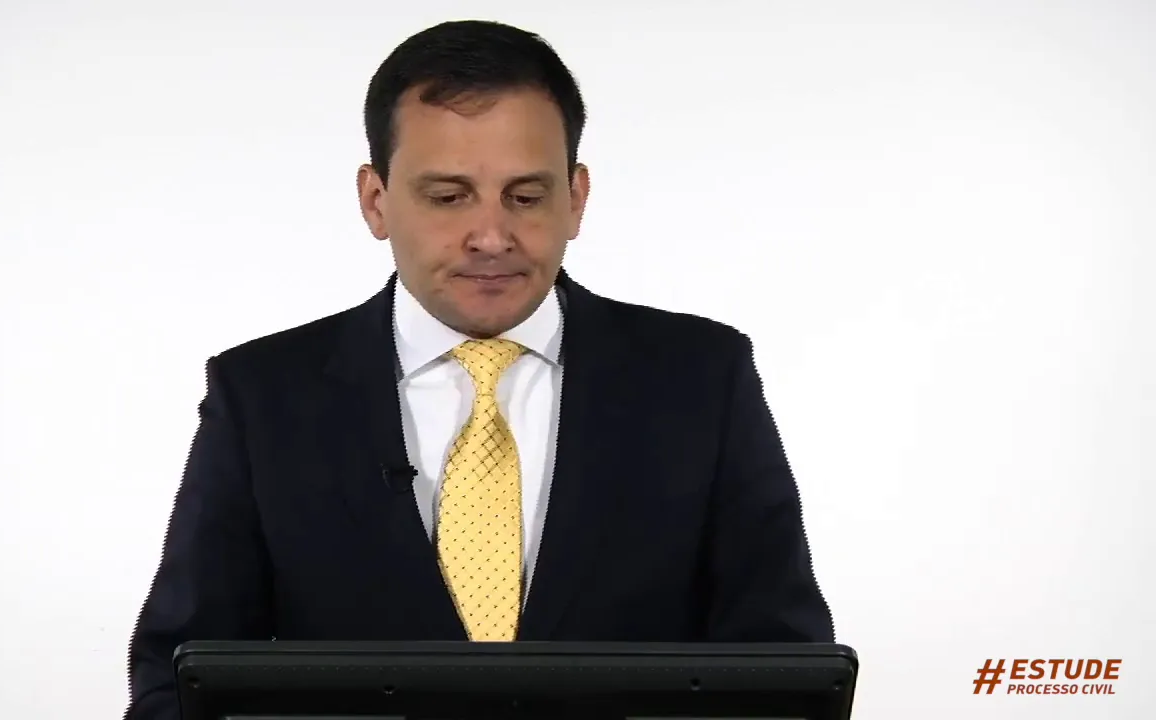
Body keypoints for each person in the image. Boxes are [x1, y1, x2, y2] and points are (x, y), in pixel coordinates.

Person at [124, 18, 834, 720]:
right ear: (376, 200)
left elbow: (781, 673)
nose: (491, 236)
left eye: (526, 197)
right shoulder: (263, 397)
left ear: (576, 199)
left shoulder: (701, 380)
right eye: (448, 196)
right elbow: (178, 684)